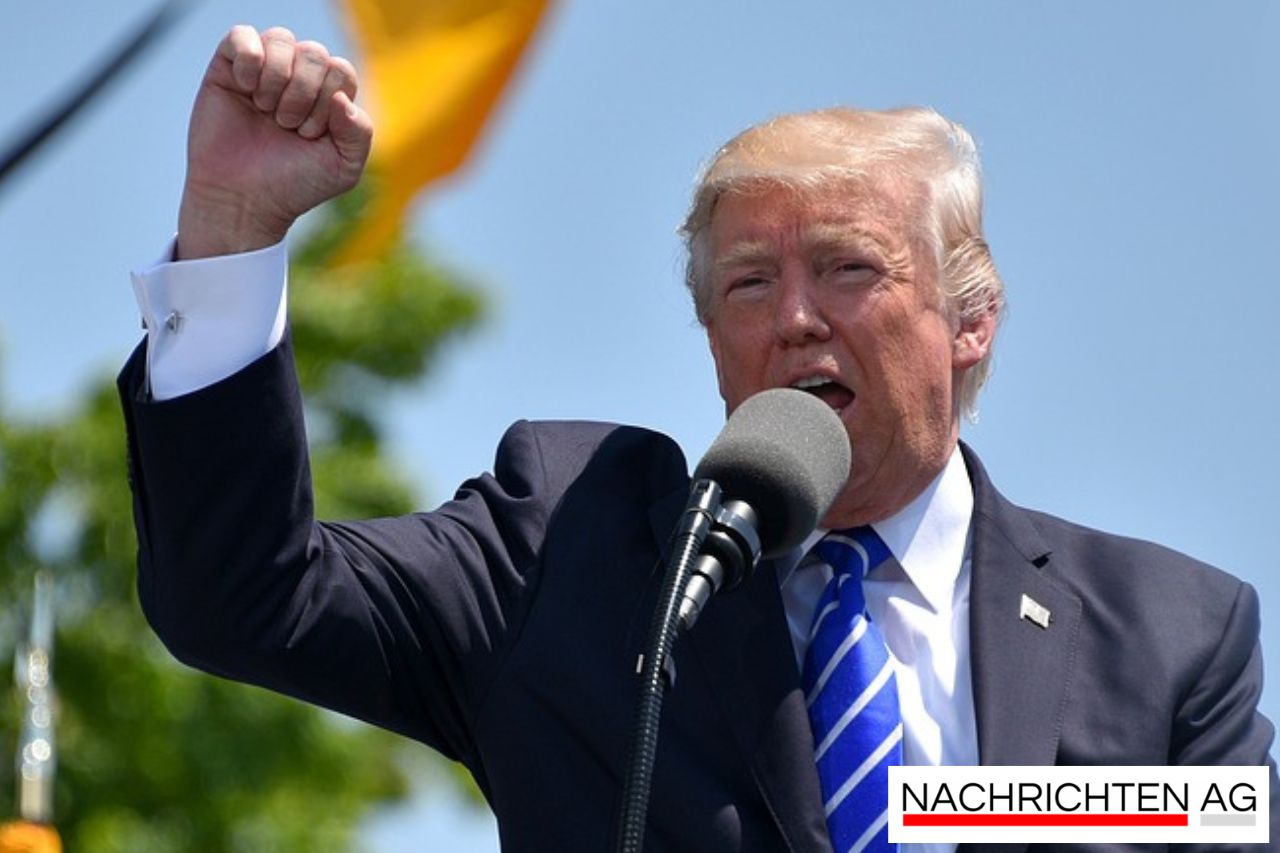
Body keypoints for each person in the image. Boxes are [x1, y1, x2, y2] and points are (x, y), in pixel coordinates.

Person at [118, 25, 1278, 853]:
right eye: (746, 283)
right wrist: (229, 233)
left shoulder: (1165, 635)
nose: (792, 318)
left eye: (846, 269)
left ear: (969, 319)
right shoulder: (568, 543)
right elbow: (242, 600)